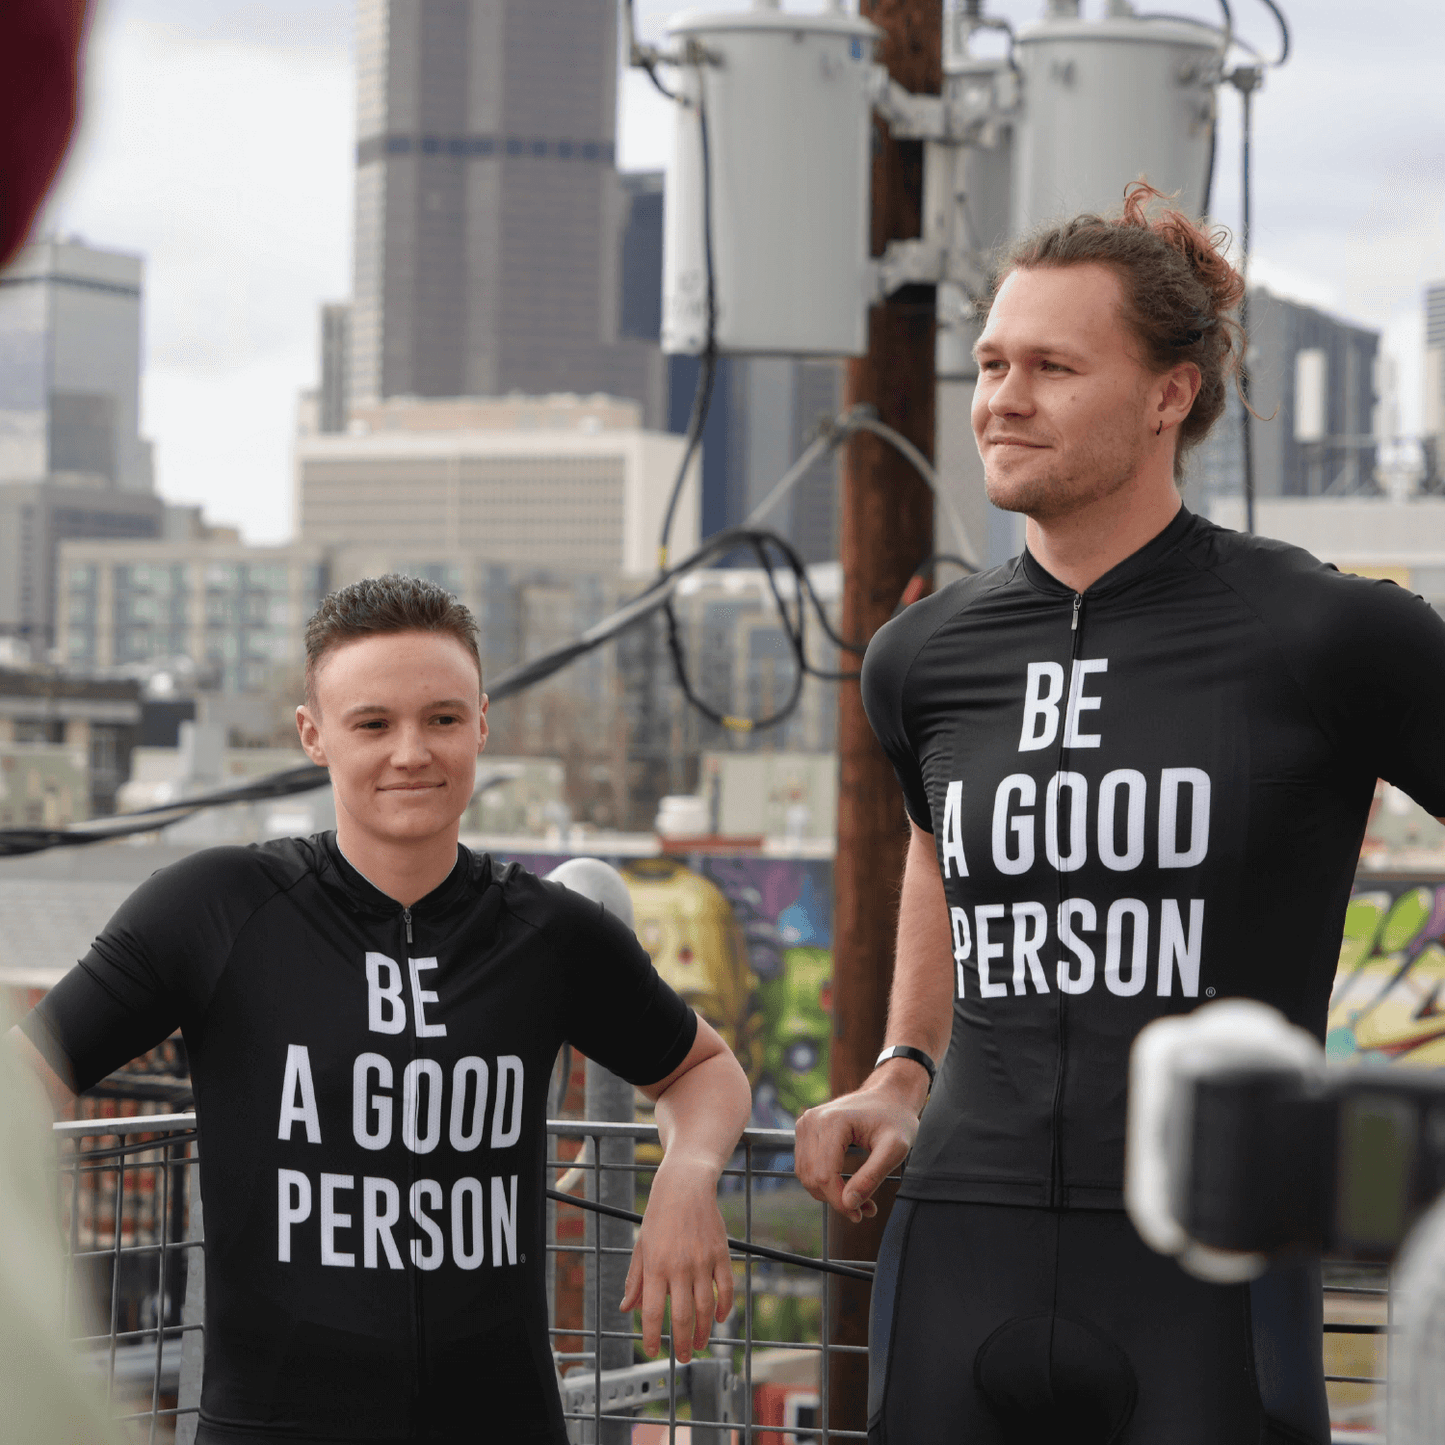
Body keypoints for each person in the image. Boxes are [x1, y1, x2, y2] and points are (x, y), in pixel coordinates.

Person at [794, 184, 1445, 1445]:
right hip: (960, 1234)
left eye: (1050, 366)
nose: (1001, 397)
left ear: (1167, 396)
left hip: (1212, 1254)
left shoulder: (1326, 632)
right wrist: (900, 1065)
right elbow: (935, 849)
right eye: (992, 363)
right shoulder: (919, 656)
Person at [9, 575, 753, 1445]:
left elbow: (703, 1068)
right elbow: (27, 1071)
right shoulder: (214, 908)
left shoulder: (549, 932)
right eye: (372, 723)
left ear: (481, 724)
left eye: (441, 718)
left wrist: (687, 1172)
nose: (411, 751)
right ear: (313, 734)